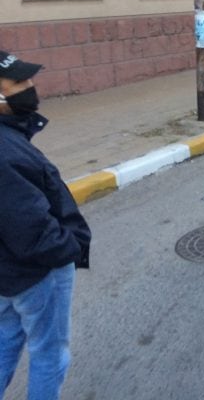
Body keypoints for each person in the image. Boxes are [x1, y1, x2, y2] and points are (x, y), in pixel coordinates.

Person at [0, 51, 91, 399]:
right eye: (18, 83)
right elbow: (30, 227)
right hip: (36, 272)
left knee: (6, 339)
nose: (30, 87)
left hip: (8, 275)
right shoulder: (4, 152)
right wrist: (69, 247)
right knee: (49, 353)